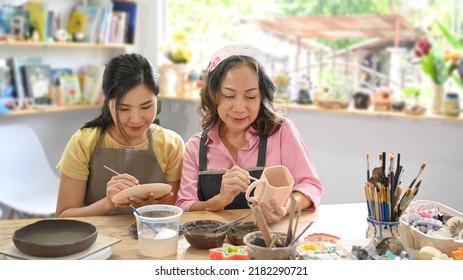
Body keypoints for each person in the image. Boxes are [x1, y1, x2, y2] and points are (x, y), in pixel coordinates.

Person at [176, 44, 323, 224]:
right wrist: (218, 201)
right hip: (213, 245)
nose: (239, 108)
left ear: (262, 97)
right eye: (229, 95)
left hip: (268, 241)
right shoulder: (197, 146)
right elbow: (184, 205)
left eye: (251, 97)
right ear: (213, 95)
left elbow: (310, 186)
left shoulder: (281, 132)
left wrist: (284, 207)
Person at [55, 53, 185, 217]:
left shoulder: (170, 144)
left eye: (146, 107)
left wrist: (150, 210)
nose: (136, 119)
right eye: (124, 109)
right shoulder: (83, 142)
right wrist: (107, 203)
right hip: (96, 238)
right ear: (106, 101)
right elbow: (63, 216)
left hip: (149, 236)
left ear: (157, 99)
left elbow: (172, 214)